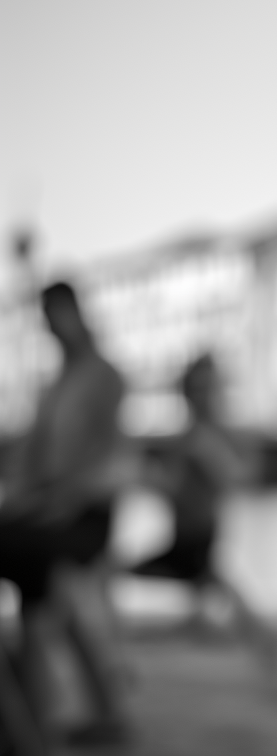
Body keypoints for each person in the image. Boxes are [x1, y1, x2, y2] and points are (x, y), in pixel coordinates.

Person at [0, 282, 132, 746]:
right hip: (49, 515)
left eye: (54, 314)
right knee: (44, 598)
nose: (50, 325)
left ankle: (30, 722)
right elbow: (31, 463)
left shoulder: (103, 377)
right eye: (45, 316)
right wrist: (20, 497)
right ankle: (36, 714)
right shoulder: (55, 384)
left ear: (74, 312)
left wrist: (61, 501)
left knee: (48, 588)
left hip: (83, 516)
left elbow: (110, 460)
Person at [130, 354, 277, 671]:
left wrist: (155, 480)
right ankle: (261, 643)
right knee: (214, 585)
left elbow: (231, 477)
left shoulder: (201, 438)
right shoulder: (198, 434)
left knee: (209, 583)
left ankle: (260, 642)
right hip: (196, 532)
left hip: (196, 533)